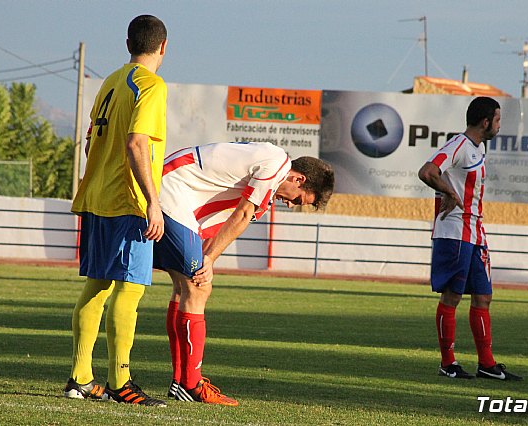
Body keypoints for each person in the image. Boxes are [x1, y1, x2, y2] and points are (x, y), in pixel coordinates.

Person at [153, 141, 335, 405]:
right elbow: (243, 213)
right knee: (198, 286)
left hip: (173, 187)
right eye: (297, 198)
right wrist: (209, 259)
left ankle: (182, 382)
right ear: (298, 178)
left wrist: (207, 255)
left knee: (186, 287)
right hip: (171, 189)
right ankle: (190, 385)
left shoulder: (271, 168)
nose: (290, 203)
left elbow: (230, 216)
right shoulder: (276, 164)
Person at [64, 15, 169, 406]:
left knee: (98, 284)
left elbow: (92, 143)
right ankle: (120, 383)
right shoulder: (151, 85)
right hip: (128, 202)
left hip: (97, 197)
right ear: (163, 47)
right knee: (130, 289)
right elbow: (137, 143)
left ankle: (80, 378)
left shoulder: (110, 82)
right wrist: (153, 203)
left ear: (128, 43)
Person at [418, 96, 522, 381]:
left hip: (475, 233)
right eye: (498, 120)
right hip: (454, 233)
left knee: (483, 297)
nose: (500, 125)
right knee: (451, 297)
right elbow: (428, 171)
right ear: (486, 122)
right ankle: (447, 363)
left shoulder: (478, 148)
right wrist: (450, 194)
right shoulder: (459, 145)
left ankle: (487, 365)